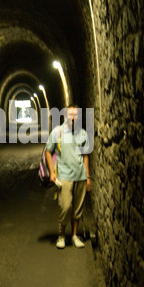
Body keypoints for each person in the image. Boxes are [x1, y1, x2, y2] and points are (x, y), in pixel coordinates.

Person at [45, 105, 92, 249]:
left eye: (75, 115)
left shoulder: (82, 134)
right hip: (64, 176)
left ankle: (74, 236)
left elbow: (85, 156)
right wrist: (52, 173)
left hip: (80, 176)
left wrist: (88, 176)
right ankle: (61, 236)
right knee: (65, 207)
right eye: (70, 114)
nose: (73, 117)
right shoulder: (57, 132)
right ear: (65, 116)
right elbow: (48, 151)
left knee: (77, 209)